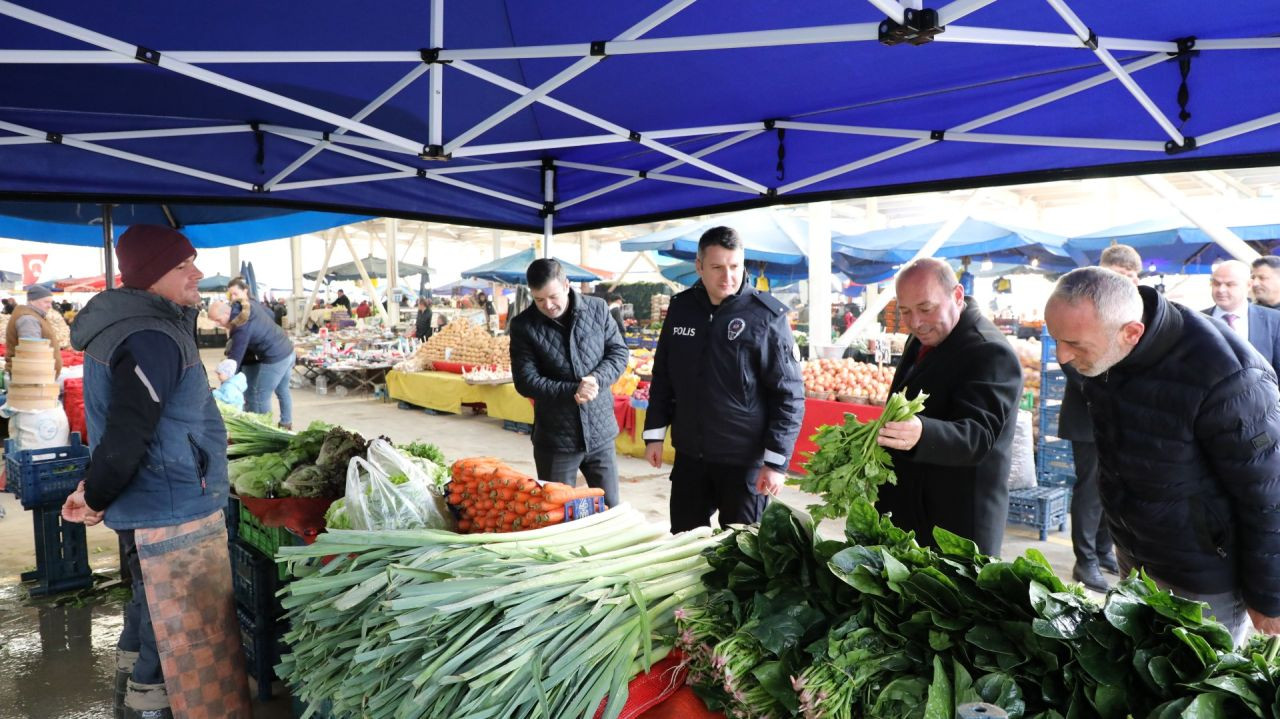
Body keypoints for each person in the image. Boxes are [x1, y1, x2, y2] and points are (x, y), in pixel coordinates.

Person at [64, 224, 250, 718]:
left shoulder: (138, 325)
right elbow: (127, 435)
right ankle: (150, 705)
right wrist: (98, 494)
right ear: (151, 276)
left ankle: (131, 698)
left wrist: (93, 489)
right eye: (182, 265)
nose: (198, 273)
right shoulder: (150, 336)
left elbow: (126, 424)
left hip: (152, 500)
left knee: (150, 609)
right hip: (170, 505)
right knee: (179, 635)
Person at [1044, 266, 1280, 645]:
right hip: (1134, 550)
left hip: (1203, 573)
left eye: (1075, 345)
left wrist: (1270, 596)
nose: (1062, 357)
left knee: (1193, 690)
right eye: (1056, 339)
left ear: (1131, 333)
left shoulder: (1229, 375)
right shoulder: (1108, 347)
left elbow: (1268, 492)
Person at [642, 226, 805, 531]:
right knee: (684, 544)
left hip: (744, 464)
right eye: (717, 267)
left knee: (740, 557)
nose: (727, 277)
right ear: (699, 266)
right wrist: (654, 434)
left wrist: (776, 463)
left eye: (735, 267)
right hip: (691, 456)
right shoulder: (681, 309)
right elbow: (663, 375)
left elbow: (789, 395)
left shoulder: (766, 316)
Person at [874, 257, 1023, 557]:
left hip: (955, 523)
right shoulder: (920, 339)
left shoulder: (989, 351)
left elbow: (978, 436)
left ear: (956, 296)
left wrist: (922, 433)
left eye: (926, 309)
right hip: (911, 508)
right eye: (905, 311)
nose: (915, 322)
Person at [508, 259, 630, 507]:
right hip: (556, 439)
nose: (548, 305)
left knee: (610, 508)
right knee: (557, 513)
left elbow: (618, 352)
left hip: (600, 433)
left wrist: (596, 379)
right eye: (539, 300)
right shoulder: (524, 325)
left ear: (566, 284)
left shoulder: (597, 309)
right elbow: (526, 381)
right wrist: (573, 390)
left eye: (552, 296)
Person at [1057, 243, 1142, 592]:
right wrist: (1105, 393)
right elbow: (1070, 360)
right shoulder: (1079, 305)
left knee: (1114, 485)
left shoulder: (1131, 311)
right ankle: (1085, 560)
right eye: (1120, 276)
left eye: (1132, 277)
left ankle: (1105, 549)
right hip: (1087, 417)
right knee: (1090, 489)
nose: (1127, 282)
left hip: (1122, 418)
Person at [209, 296, 295, 430]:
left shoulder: (240, 326)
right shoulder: (247, 305)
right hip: (288, 349)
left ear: (226, 313)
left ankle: (265, 430)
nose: (218, 324)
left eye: (218, 320)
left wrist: (226, 375)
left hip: (275, 357)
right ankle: (286, 424)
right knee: (283, 390)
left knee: (259, 395)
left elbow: (236, 354)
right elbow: (271, 314)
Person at [1205, 259, 1280, 375]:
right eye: (1216, 283)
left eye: (1230, 284)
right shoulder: (1195, 320)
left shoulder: (1274, 321)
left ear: (1249, 285)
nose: (1221, 290)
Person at [5, 284, 63, 378]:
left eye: (50, 302)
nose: (49, 306)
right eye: (46, 302)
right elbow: (32, 352)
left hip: (33, 375)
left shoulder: (35, 316)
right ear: (32, 301)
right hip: (30, 377)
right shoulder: (28, 319)